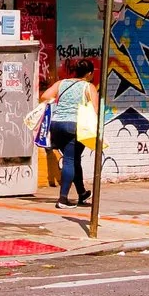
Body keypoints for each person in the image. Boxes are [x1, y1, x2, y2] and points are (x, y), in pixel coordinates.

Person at [41, 54, 95, 206]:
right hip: (74, 126)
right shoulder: (88, 87)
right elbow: (94, 110)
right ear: (89, 73)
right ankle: (63, 199)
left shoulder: (62, 83)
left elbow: (45, 96)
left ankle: (82, 193)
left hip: (57, 125)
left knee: (74, 159)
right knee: (70, 160)